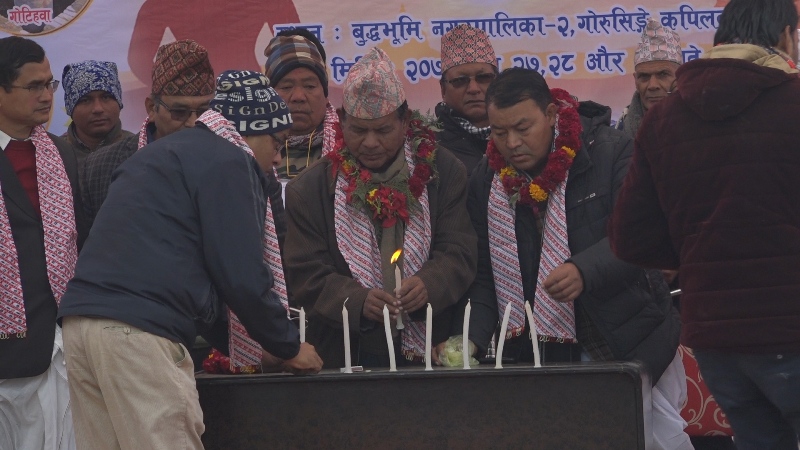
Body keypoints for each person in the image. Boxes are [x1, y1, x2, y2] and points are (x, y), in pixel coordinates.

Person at [59, 69, 323, 450]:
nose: (278, 158)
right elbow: (241, 276)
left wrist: (251, 347)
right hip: (137, 335)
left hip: (80, 327)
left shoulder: (161, 154)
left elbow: (199, 282)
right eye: (277, 143)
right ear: (249, 133)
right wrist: (288, 346)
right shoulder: (230, 160)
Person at [458, 68, 690, 449]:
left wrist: (584, 270)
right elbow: (485, 275)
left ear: (551, 114)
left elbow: (645, 235)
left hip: (622, 343)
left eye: (522, 128)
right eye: (499, 132)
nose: (511, 143)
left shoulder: (612, 151)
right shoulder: (487, 178)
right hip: (539, 357)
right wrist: (472, 340)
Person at [609, 0, 800, 447]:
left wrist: (698, 252)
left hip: (716, 337)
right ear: (786, 37)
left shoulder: (662, 120)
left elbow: (629, 238)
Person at [283, 47, 477, 369]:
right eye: (359, 130)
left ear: (405, 121)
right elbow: (305, 274)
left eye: (383, 130)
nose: (370, 143)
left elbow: (460, 251)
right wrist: (357, 301)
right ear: (341, 121)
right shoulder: (310, 190)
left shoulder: (443, 172)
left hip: (429, 353)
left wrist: (428, 284)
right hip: (344, 354)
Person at [0, 36, 88, 450]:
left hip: (61, 343)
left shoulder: (59, 153)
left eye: (49, 84)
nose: (46, 96)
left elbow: (79, 238)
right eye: (33, 86)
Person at [81, 39, 214, 226]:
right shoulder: (100, 167)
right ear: (152, 108)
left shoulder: (230, 162)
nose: (193, 123)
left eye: (203, 112)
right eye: (179, 112)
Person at [264, 33, 338, 179]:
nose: (298, 97)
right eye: (286, 87)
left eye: (309, 86)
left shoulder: (348, 145)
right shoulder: (251, 149)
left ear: (325, 95)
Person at [435, 24, 498, 175]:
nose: (473, 89)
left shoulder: (518, 137)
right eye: (460, 80)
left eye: (484, 78)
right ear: (443, 89)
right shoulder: (430, 147)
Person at [60, 60, 134, 174]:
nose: (98, 109)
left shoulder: (138, 149)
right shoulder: (53, 154)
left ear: (119, 102)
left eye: (106, 97)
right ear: (70, 108)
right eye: (85, 100)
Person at [616, 19, 682, 139]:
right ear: (635, 80)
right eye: (644, 76)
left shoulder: (701, 128)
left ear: (680, 77)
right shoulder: (617, 136)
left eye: (663, 74)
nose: (652, 85)